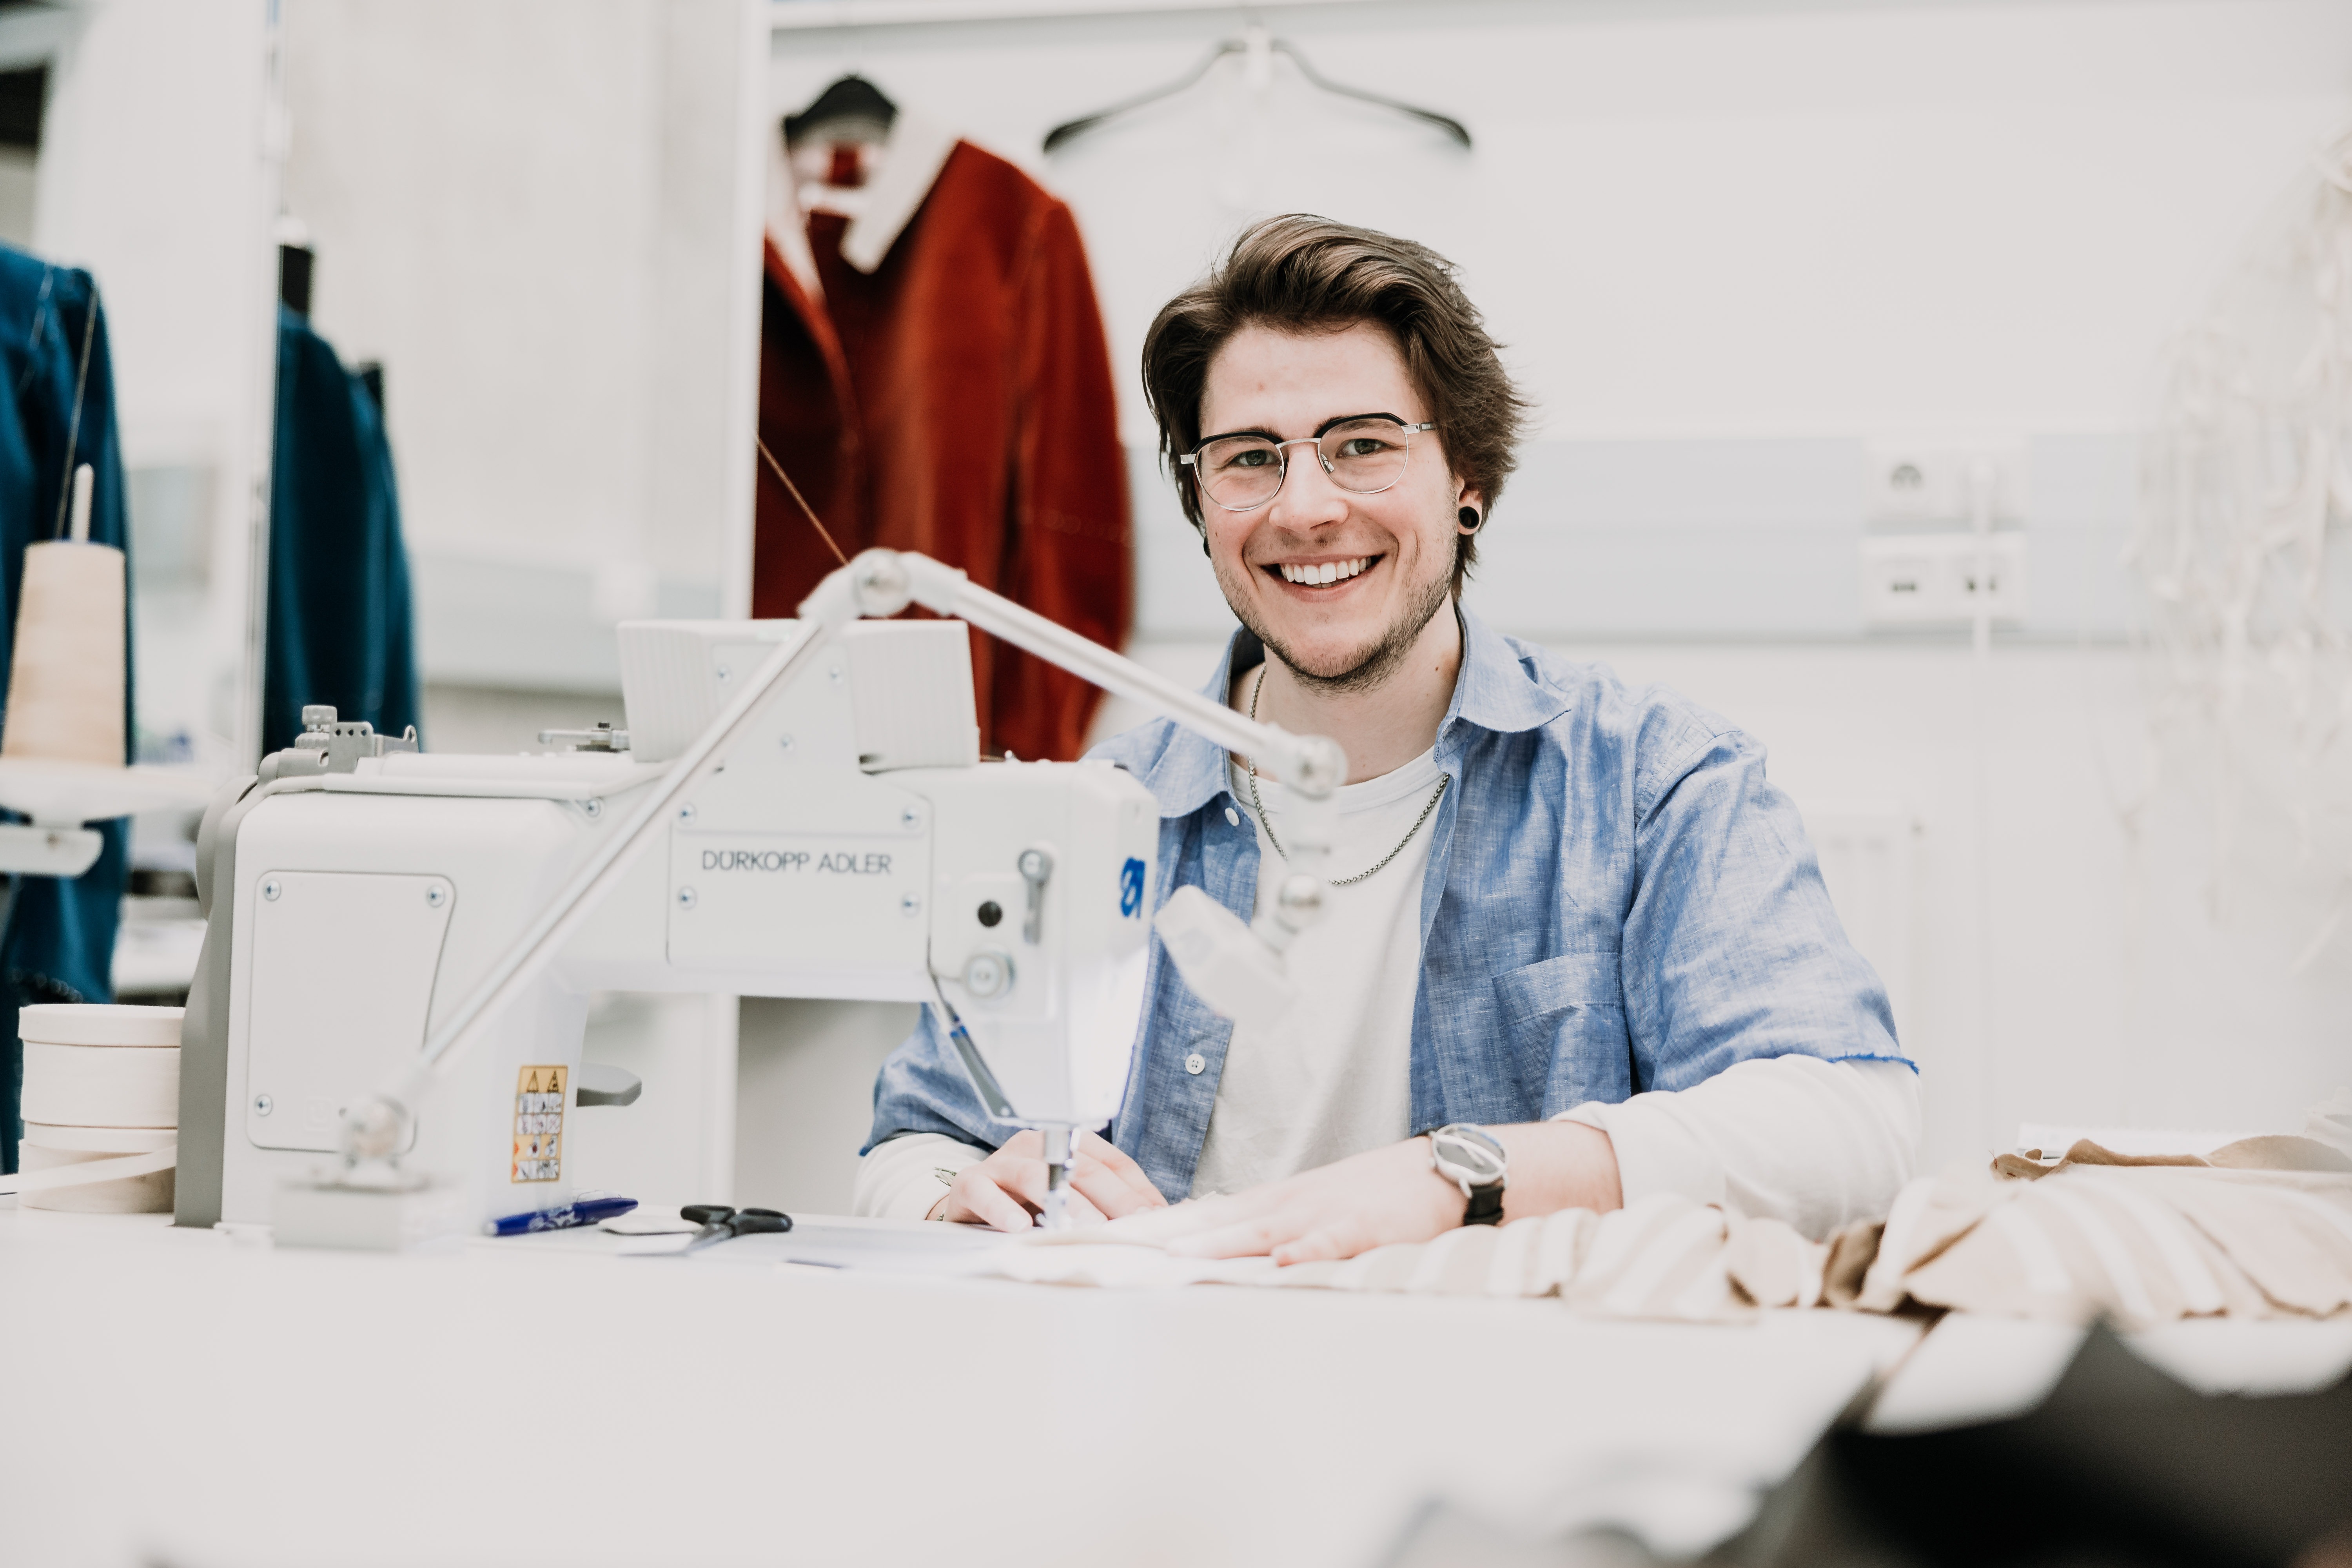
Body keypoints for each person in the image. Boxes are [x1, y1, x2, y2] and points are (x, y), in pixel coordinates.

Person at [852, 215, 1917, 1261]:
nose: (1304, 509)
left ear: (1467, 481)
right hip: (1168, 1363)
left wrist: (1460, 1177)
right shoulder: (1098, 812)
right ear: (1200, 499)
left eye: (1362, 446)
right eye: (1250, 459)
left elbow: (1853, 1127)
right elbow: (913, 1143)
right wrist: (956, 1201)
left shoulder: (1652, 780)